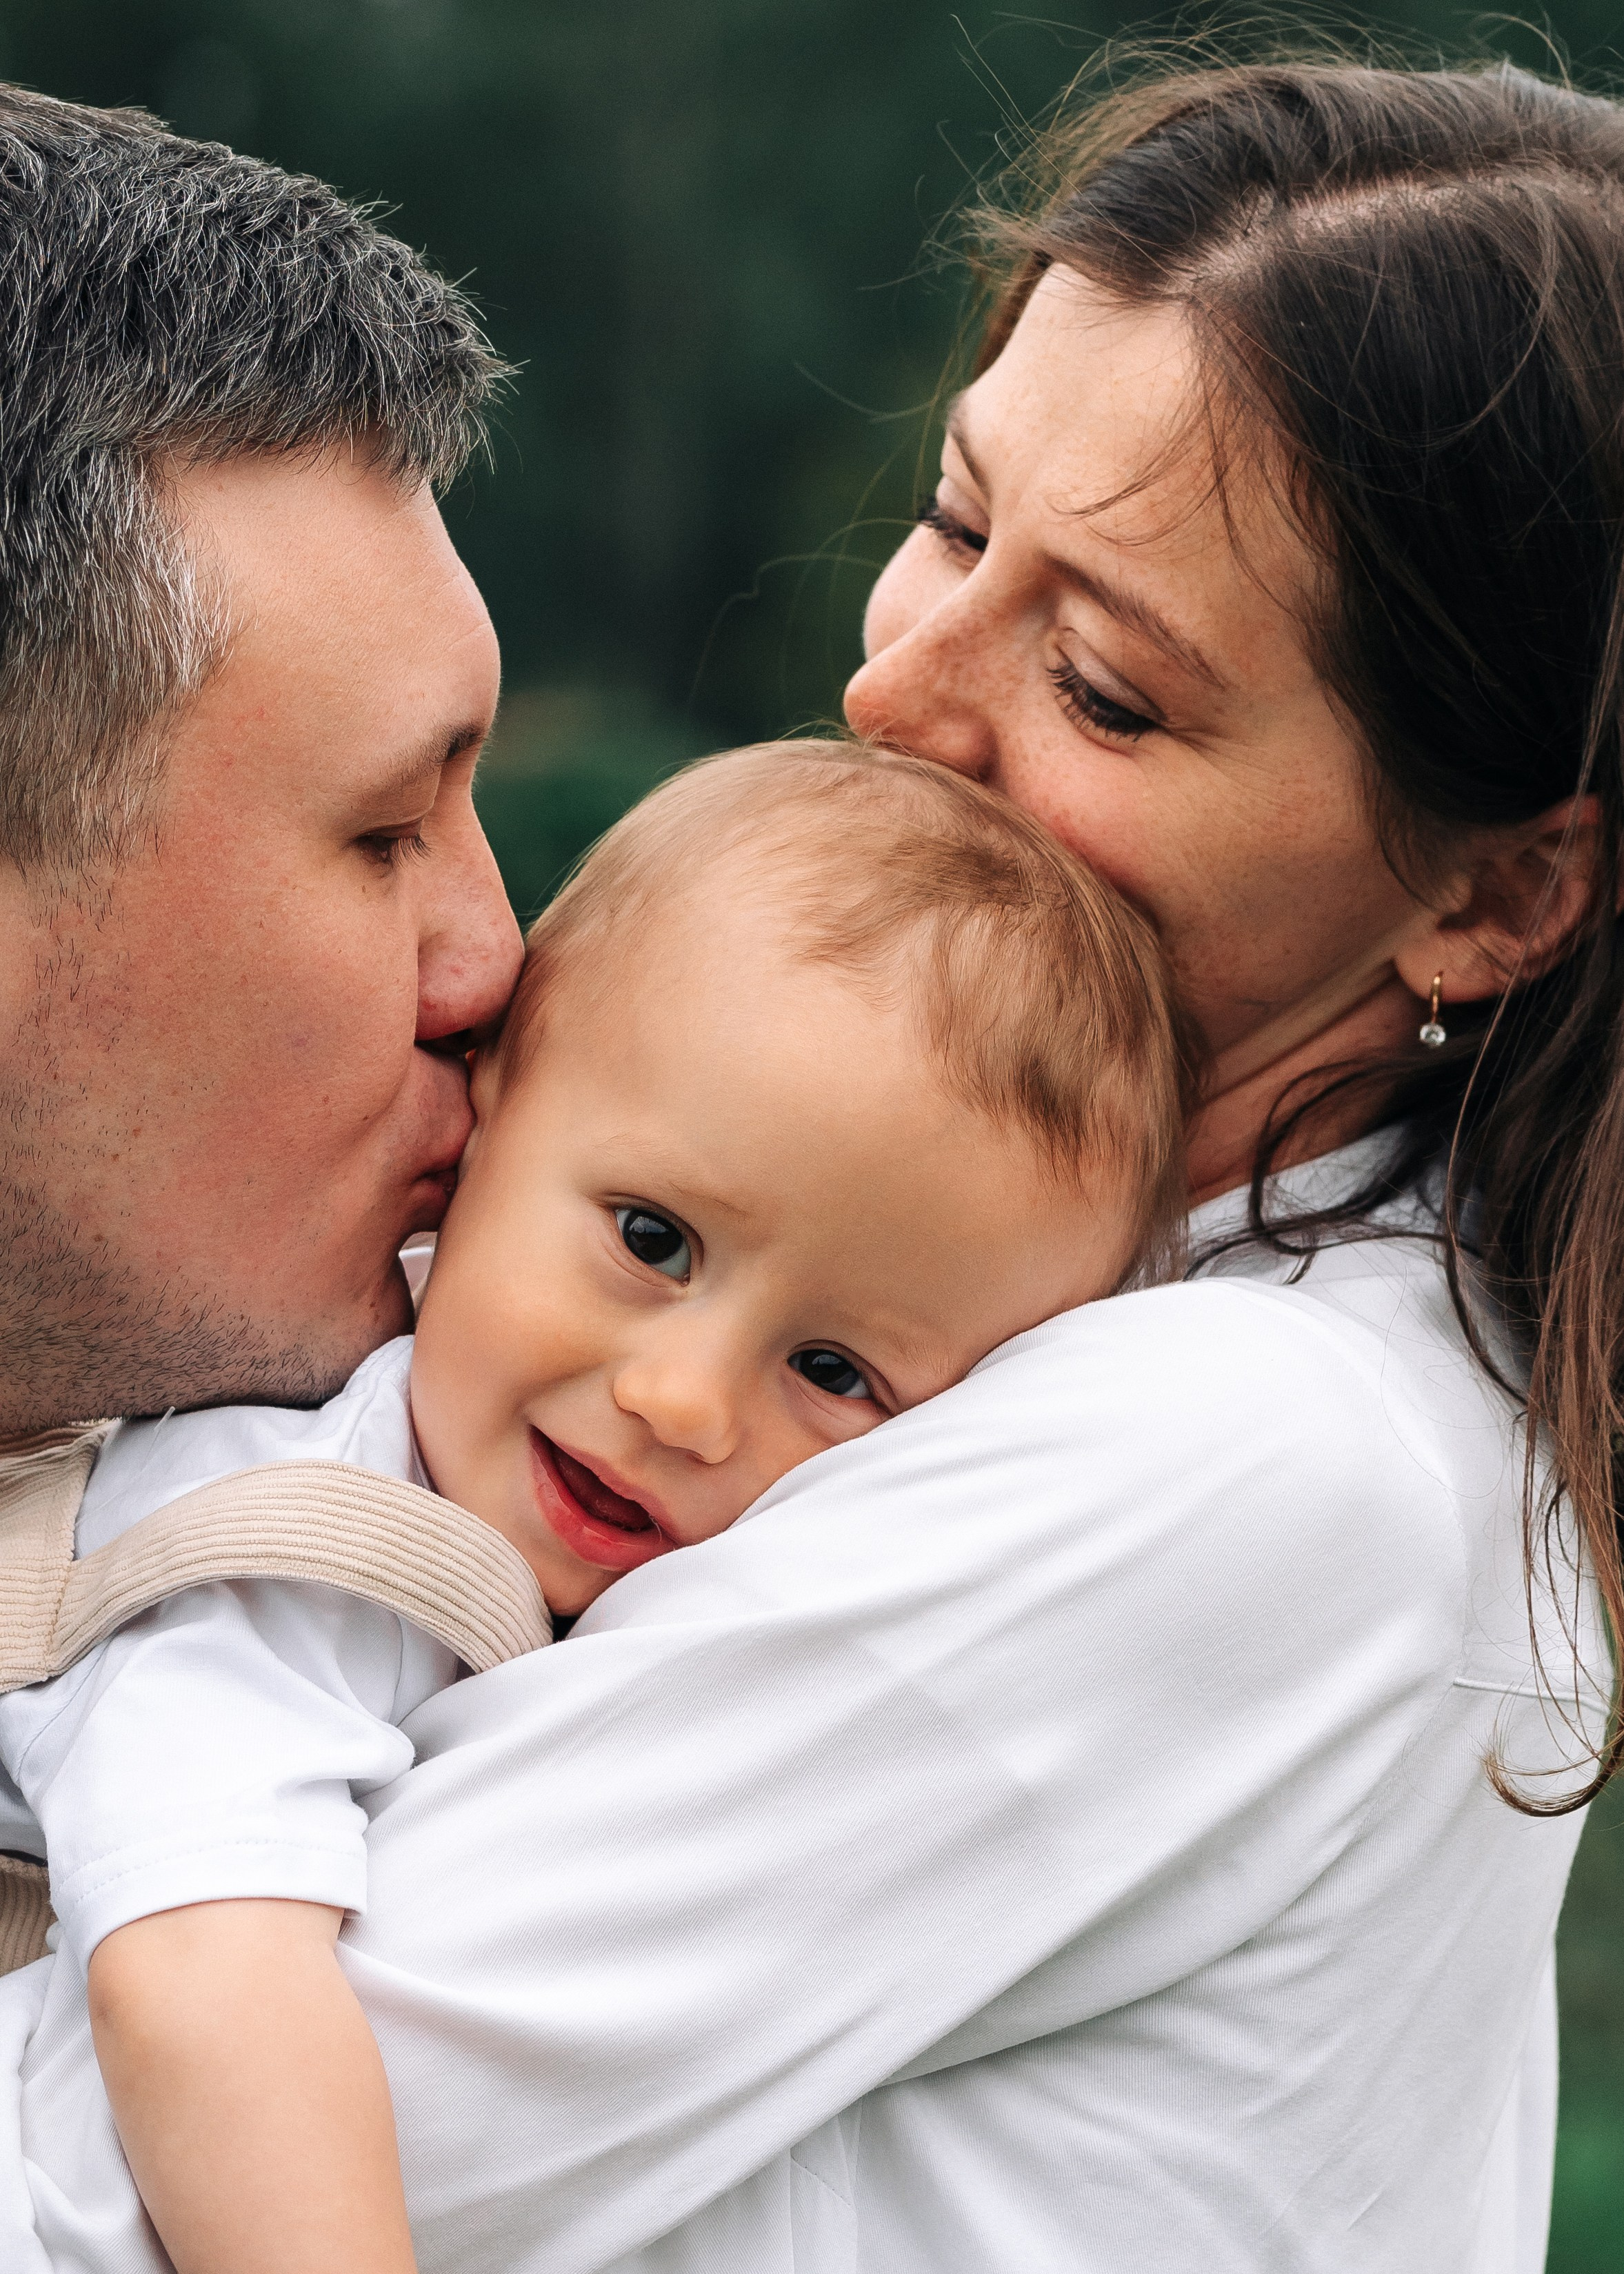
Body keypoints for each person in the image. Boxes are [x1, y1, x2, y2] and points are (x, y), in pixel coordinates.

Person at [1, 51, 1622, 2274]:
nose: (899, 696)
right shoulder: (1179, 1331)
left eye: (1109, 691)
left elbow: (135, 2186)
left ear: (1490, 897)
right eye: (957, 523)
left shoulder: (1248, 1447)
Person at [4, 741, 1183, 2274]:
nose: (684, 1399)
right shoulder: (299, 1526)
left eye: (833, 1369)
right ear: (482, 1113)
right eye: (653, 1237)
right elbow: (197, 1976)